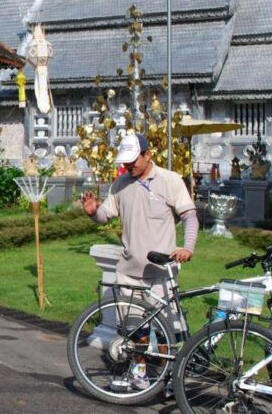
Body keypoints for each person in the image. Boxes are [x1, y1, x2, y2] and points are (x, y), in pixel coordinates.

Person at [81, 133, 199, 390]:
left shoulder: (170, 180)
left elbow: (190, 216)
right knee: (135, 330)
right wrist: (93, 212)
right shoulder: (121, 183)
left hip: (160, 271)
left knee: (169, 327)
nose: (129, 167)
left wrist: (187, 247)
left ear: (148, 155)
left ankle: (170, 376)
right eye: (125, 163)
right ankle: (139, 372)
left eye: (134, 161)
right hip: (128, 270)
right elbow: (105, 215)